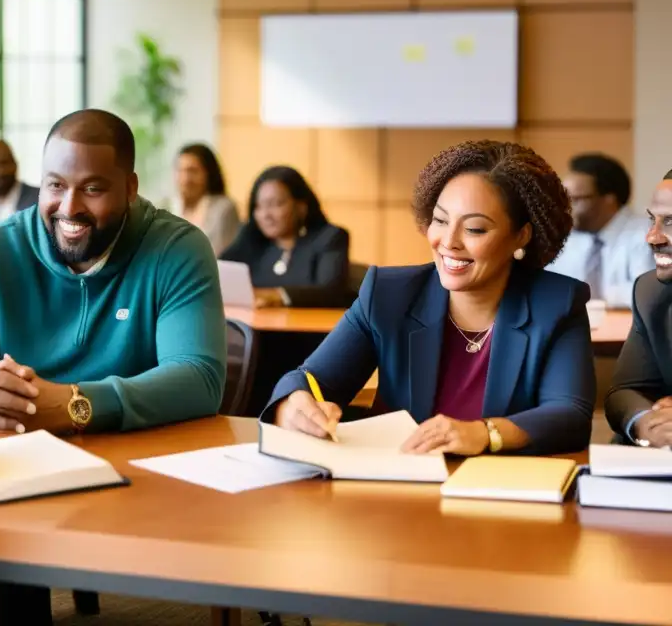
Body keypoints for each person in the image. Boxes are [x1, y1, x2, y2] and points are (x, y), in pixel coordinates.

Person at [265, 140, 595, 457]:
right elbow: (311, 378)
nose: (448, 242)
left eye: (475, 229)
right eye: (440, 220)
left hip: (496, 492)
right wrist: (292, 404)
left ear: (521, 235)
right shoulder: (388, 293)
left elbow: (569, 414)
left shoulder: (557, 302)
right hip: (398, 486)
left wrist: (484, 433)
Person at [0, 108, 226, 434]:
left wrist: (74, 404)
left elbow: (199, 378)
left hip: (140, 459)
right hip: (17, 452)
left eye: (92, 189)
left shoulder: (177, 248)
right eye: (56, 185)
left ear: (130, 189)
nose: (69, 207)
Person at [220, 166, 352, 308]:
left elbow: (331, 292)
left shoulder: (329, 238)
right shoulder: (251, 240)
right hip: (256, 327)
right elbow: (219, 270)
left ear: (301, 207)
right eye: (258, 206)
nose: (265, 215)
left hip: (308, 328)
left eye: (275, 204)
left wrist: (276, 295)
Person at [604, 169, 672, 446]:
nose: (652, 237)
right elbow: (624, 392)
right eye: (651, 220)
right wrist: (648, 423)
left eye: (670, 222)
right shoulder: (651, 293)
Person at [547, 153, 653, 307]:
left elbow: (649, 294)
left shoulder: (647, 234)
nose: (564, 209)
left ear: (609, 199)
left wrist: (595, 296)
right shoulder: (571, 238)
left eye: (574, 200)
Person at [167, 143, 240, 255]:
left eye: (192, 171)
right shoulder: (168, 206)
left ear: (208, 173)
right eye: (180, 171)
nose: (185, 179)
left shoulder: (224, 209)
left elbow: (220, 255)